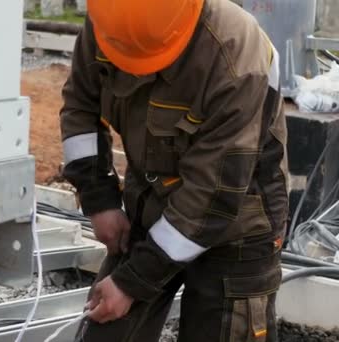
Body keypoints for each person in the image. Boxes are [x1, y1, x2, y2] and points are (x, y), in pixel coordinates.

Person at [59, 0, 289, 341]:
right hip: (151, 203)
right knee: (107, 330)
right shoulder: (111, 22)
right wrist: (99, 199)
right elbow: (80, 107)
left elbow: (212, 197)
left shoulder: (235, 56)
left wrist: (132, 282)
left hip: (238, 224)